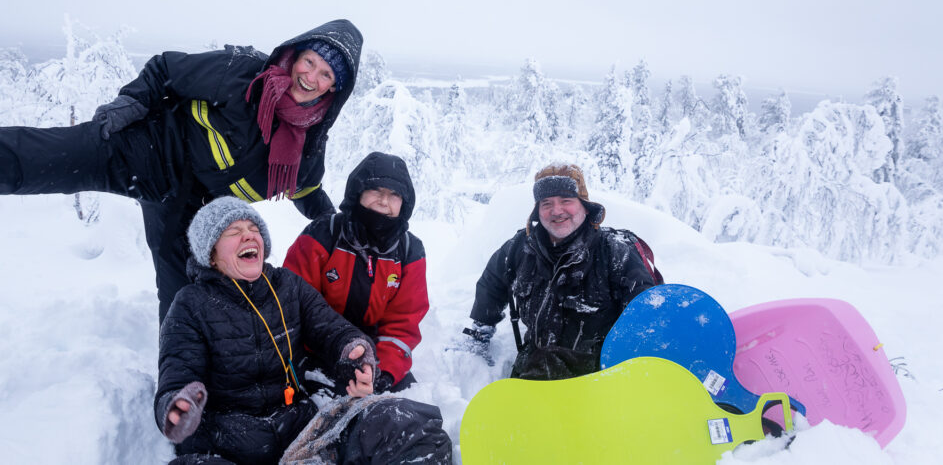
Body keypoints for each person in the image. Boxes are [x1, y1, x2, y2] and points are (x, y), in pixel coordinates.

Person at [0, 19, 362, 320]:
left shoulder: (308, 147)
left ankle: (182, 388)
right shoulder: (242, 75)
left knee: (182, 295)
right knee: (27, 158)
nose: (312, 77)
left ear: (334, 89)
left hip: (189, 204)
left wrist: (342, 225)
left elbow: (307, 191)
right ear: (294, 56)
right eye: (310, 62)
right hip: (142, 148)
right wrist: (132, 100)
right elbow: (167, 69)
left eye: (326, 75)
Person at [156, 197, 452, 465]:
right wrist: (179, 407)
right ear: (211, 254)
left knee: (405, 425)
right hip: (226, 442)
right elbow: (177, 374)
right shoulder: (189, 304)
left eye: (253, 228)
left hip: (298, 429)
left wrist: (354, 351)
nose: (248, 234)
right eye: (233, 232)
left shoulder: (286, 285)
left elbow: (330, 328)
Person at [461, 163, 658, 380]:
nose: (556, 211)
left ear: (584, 206)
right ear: (537, 210)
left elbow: (645, 316)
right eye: (547, 203)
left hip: (598, 381)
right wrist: (480, 332)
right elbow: (492, 283)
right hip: (533, 373)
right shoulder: (520, 247)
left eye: (566, 201)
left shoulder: (616, 252)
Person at [284, 152, 428, 393]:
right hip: (317, 350)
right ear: (358, 192)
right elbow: (293, 303)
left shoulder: (409, 251)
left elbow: (403, 324)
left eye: (395, 195)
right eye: (376, 191)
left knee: (406, 410)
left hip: (375, 357)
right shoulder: (323, 234)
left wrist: (380, 372)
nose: (384, 201)